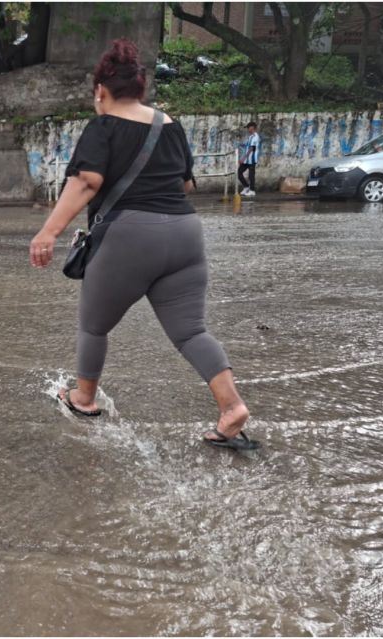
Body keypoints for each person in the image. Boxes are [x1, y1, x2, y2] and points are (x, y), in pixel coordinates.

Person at [28, 38, 259, 450]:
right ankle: (231, 408)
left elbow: (86, 181)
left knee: (93, 326)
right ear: (141, 88)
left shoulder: (103, 126)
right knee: (190, 332)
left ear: (101, 90)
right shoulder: (168, 123)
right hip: (185, 233)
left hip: (131, 236)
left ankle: (84, 398)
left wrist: (49, 232)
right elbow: (185, 182)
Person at [238, 121, 259, 197]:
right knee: (239, 172)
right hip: (247, 160)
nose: (248, 129)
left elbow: (251, 148)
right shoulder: (250, 137)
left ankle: (252, 190)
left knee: (251, 175)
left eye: (248, 128)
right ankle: (246, 187)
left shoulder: (255, 137)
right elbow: (247, 147)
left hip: (252, 159)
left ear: (252, 128)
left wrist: (243, 158)